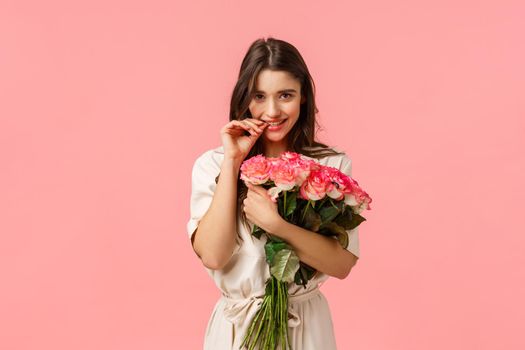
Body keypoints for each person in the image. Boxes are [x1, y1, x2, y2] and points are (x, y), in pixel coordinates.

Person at [186, 37, 360, 350]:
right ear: (244, 98)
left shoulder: (330, 166)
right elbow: (213, 255)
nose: (272, 110)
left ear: (303, 96)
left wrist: (277, 225)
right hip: (237, 331)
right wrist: (232, 161)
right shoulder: (213, 164)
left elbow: (342, 265)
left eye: (285, 95)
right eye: (259, 96)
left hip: (306, 327)